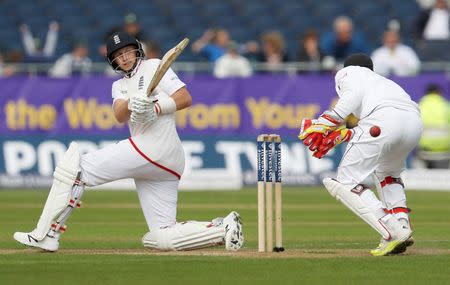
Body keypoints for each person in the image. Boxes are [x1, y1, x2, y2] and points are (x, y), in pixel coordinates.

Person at [13, 32, 244, 252]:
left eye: (127, 51)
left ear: (136, 50)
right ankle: (222, 228)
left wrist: (156, 107)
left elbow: (185, 97)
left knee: (76, 169)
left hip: (155, 148)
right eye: (117, 55)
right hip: (162, 163)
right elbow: (119, 115)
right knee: (161, 235)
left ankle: (46, 234)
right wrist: (133, 103)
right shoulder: (119, 86)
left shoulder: (154, 66)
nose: (123, 58)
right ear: (113, 61)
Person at [299, 54, 422, 256]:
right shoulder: (382, 83)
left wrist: (326, 122)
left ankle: (393, 230)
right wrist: (343, 133)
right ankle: (402, 223)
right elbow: (373, 128)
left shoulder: (349, 73)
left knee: (345, 181)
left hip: (384, 120)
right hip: (414, 123)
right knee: (388, 174)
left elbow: (354, 98)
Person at [417, 83, 450, 168]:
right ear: (439, 93)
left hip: (425, 149)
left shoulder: (420, 106)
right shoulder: (446, 105)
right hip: (446, 148)